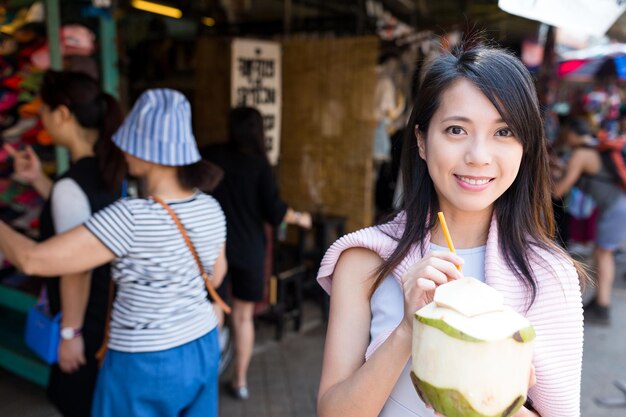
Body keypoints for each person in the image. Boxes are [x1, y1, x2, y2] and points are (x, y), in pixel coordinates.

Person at [316, 42, 584, 417]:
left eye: (503, 132)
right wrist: (409, 330)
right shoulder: (364, 261)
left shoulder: (550, 275)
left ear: (526, 146)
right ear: (423, 141)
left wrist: (493, 395)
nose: (478, 155)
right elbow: (333, 412)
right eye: (456, 129)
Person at [0, 88, 227, 417]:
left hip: (144, 362)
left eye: (131, 141)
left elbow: (32, 260)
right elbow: (216, 275)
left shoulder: (131, 217)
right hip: (201, 343)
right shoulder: (210, 207)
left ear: (149, 153)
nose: (122, 149)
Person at [4, 70, 126, 417]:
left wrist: (70, 333)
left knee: (78, 403)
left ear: (63, 115)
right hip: (106, 316)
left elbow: (77, 267)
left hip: (83, 324)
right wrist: (40, 182)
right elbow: (87, 221)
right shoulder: (109, 173)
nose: (41, 118)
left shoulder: (71, 185)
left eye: (44, 110)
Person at [202, 106, 311, 400]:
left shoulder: (211, 154)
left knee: (215, 312)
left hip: (214, 248)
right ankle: (239, 382)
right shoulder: (260, 166)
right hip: (249, 250)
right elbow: (274, 212)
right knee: (243, 317)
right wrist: (299, 217)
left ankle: (204, 382)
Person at [553, 117, 626, 325]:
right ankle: (599, 301)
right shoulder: (593, 147)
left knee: (604, 254)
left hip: (615, 208)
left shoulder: (581, 153)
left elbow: (558, 191)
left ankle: (602, 306)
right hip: (616, 206)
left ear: (571, 134)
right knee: (600, 252)